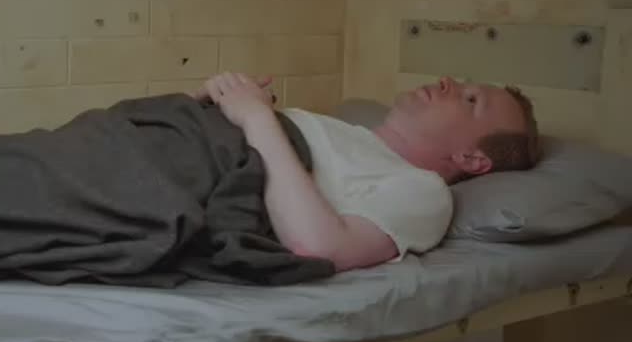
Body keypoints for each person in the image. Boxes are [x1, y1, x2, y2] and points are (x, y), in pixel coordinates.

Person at [191, 72, 541, 272]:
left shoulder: (424, 191)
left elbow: (318, 248)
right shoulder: (344, 131)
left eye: (470, 100)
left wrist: (256, 117)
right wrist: (211, 98)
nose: (447, 81)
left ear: (471, 158)